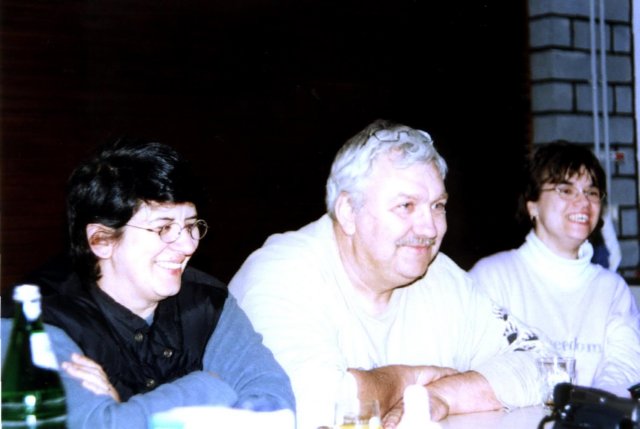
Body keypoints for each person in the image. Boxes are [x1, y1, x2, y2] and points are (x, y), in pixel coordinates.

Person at [228, 119, 547, 429]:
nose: (429, 229)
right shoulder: (282, 273)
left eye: (437, 206)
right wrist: (408, 380)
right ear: (348, 212)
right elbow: (316, 405)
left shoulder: (440, 277)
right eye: (406, 206)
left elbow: (547, 366)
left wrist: (442, 395)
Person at [1, 138, 295, 429]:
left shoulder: (208, 302)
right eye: (164, 228)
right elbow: (101, 426)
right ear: (101, 240)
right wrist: (211, 387)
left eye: (191, 226)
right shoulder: (32, 318)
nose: (187, 245)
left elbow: (275, 410)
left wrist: (126, 412)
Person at [469, 141, 640, 393]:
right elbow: (479, 371)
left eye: (592, 192)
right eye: (566, 190)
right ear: (533, 205)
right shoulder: (493, 277)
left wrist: (588, 408)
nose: (583, 202)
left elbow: (625, 368)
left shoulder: (612, 289)